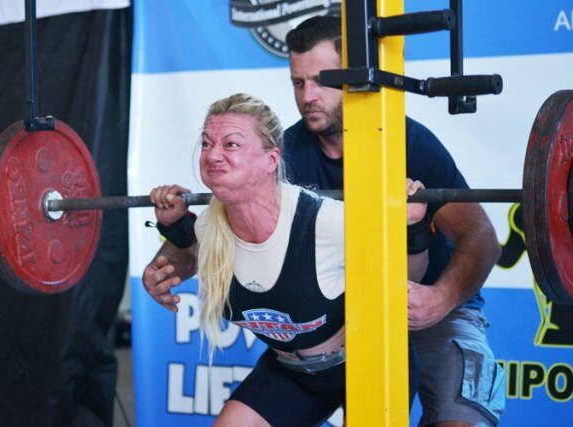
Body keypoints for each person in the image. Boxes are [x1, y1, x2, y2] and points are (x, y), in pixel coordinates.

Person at [144, 16, 505, 427]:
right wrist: (167, 265)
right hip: (345, 322)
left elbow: (482, 238)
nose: (308, 96)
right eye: (298, 83)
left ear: (354, 76)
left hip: (432, 307)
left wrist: (440, 297)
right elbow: (216, 232)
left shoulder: (408, 144)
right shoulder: (287, 154)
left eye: (321, 80)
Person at [149, 93, 430, 425]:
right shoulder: (210, 225)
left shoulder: (328, 222)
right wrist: (174, 227)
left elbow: (407, 281)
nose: (213, 156)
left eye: (232, 145)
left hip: (368, 364)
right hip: (291, 373)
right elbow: (187, 253)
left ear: (271, 159)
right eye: (207, 144)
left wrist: (414, 228)